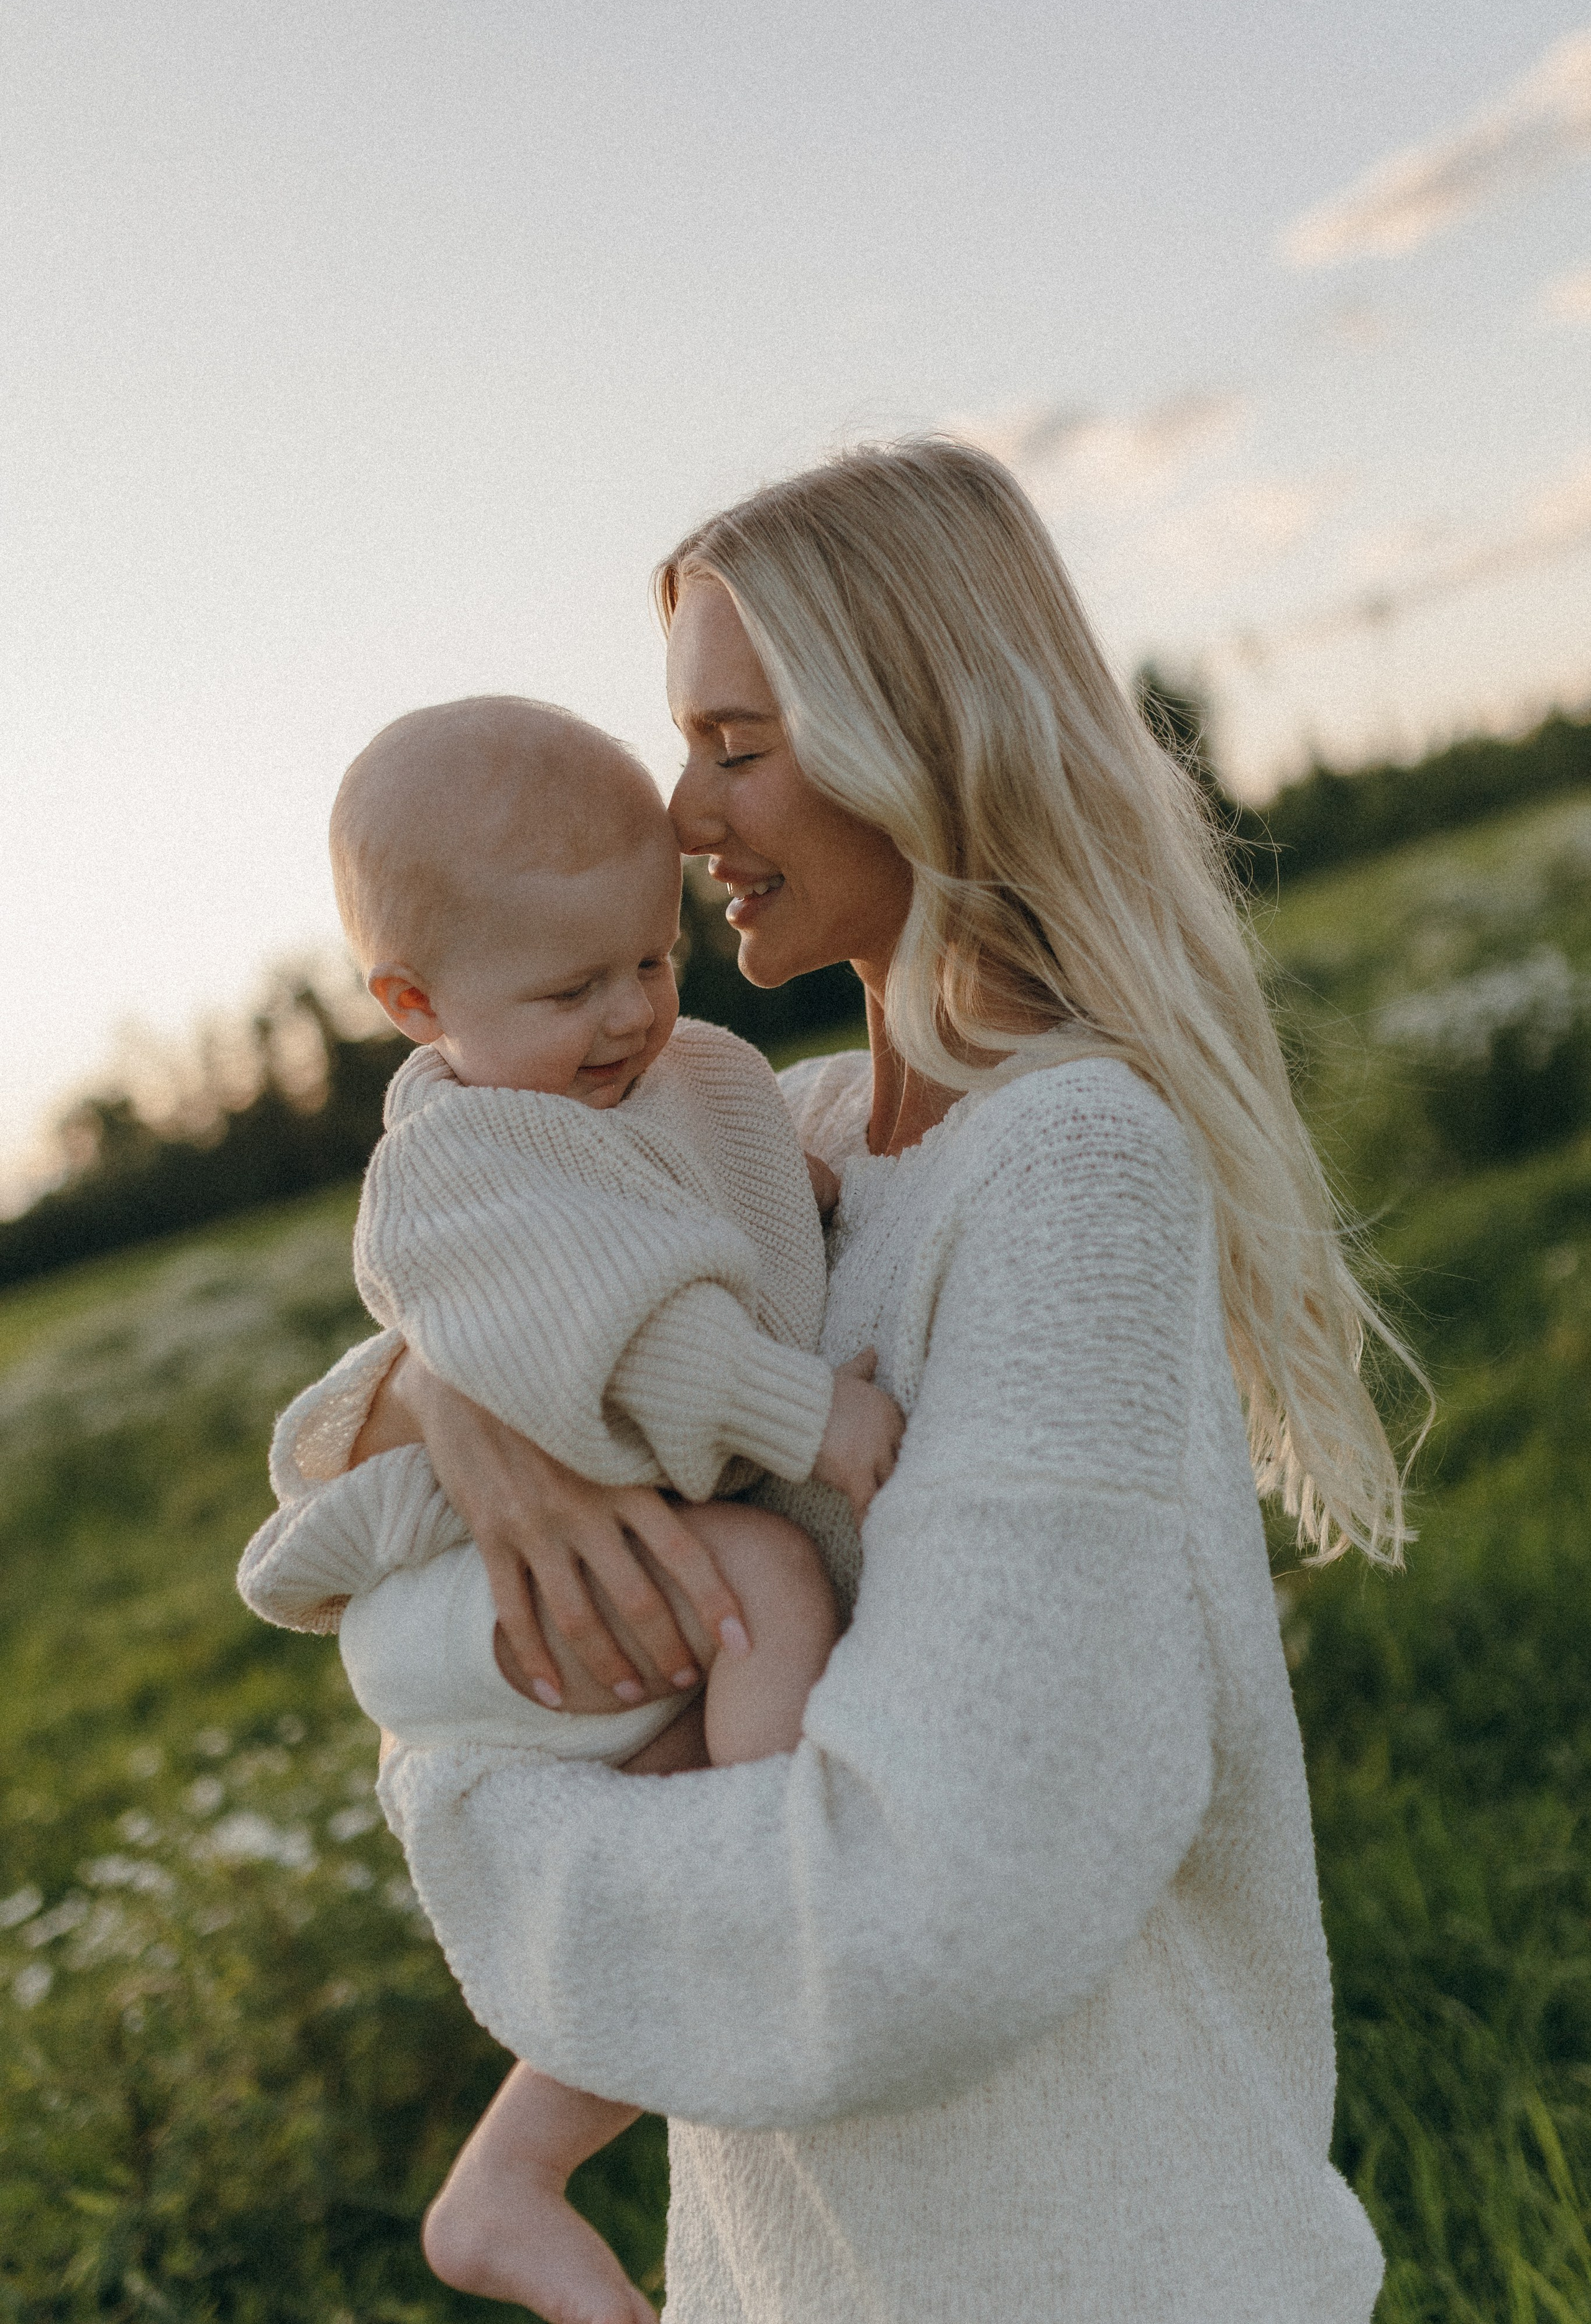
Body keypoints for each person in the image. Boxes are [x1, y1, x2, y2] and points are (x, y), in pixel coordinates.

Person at [283, 438, 1420, 2323]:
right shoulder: (794, 1142)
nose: (680, 802)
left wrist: (474, 1825)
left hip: (1091, 2259)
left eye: (736, 742)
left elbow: (934, 1906)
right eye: (683, 740)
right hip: (808, 2269)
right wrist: (454, 1403)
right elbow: (372, 1394)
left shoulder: (1064, 1165)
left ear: (926, 739)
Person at [237, 695, 904, 2324]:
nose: (627, 1014)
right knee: (754, 1578)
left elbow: (744, 1189)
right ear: (415, 1003)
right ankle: (785, 1907)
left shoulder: (671, 1072)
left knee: (687, 1731)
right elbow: (645, 1329)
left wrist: (801, 1204)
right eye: (568, 988)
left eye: (650, 958)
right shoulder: (461, 1154)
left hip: (576, 1534)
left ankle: (509, 2179)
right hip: (447, 1593)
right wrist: (812, 1410)